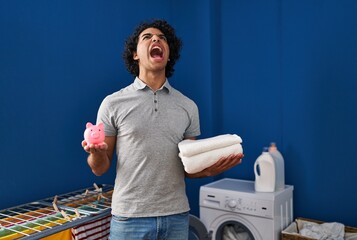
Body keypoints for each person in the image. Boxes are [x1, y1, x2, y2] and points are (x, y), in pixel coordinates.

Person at [82, 19, 243, 240]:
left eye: (162, 38)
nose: (156, 39)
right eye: (147, 37)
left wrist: (208, 170)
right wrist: (96, 154)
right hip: (130, 218)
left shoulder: (188, 107)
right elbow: (99, 169)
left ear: (168, 54)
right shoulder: (112, 103)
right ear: (135, 54)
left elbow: (188, 167)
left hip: (176, 216)